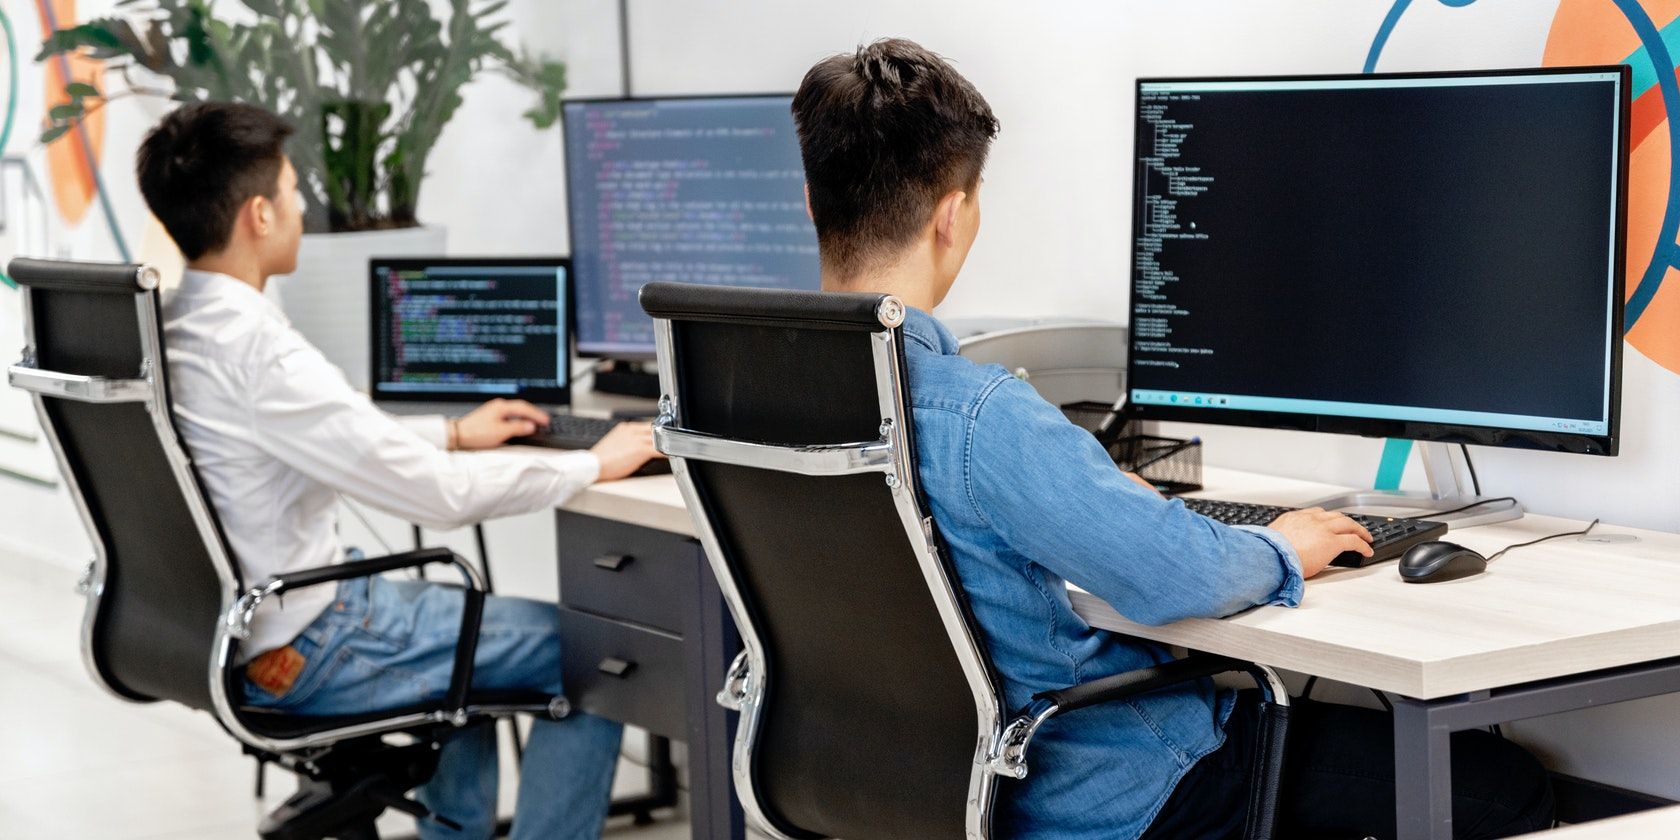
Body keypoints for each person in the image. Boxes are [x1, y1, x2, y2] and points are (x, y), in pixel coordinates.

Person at [791, 38, 1554, 840]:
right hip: (1098, 787)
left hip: (890, 788)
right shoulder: (977, 416)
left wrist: (1099, 497)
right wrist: (1286, 545)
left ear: (811, 201)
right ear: (955, 215)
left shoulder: (750, 400)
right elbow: (1169, 576)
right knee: (1505, 787)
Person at [138, 102, 656, 840]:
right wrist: (589, 464)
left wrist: (450, 430)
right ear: (257, 215)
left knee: (469, 664)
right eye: (290, 193)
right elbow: (439, 499)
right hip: (315, 640)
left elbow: (319, 434)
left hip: (242, 632)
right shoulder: (260, 351)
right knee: (598, 657)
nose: (300, 209)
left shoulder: (178, 328)